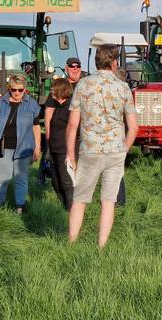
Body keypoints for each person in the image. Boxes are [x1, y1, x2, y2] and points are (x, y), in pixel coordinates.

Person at [66, 44, 138, 248]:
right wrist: (124, 149)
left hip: (90, 149)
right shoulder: (123, 87)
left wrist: (71, 154)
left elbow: (72, 125)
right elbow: (133, 127)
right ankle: (101, 247)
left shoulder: (83, 85)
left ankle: (71, 244)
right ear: (114, 63)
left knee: (79, 200)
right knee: (108, 201)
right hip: (115, 151)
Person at [0, 74, 41, 214]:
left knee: (21, 179)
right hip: (4, 146)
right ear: (9, 88)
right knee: (3, 178)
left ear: (25, 89)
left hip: (24, 148)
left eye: (21, 90)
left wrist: (37, 147)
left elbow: (36, 127)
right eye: (14, 89)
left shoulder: (32, 104)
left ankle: (20, 208)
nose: (17, 93)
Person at [42, 57, 85, 185]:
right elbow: (48, 113)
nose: (75, 69)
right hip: (61, 136)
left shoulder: (86, 86)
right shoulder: (59, 86)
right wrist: (49, 138)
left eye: (77, 66)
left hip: (82, 135)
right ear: (66, 68)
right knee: (60, 176)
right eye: (72, 66)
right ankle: (43, 174)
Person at [47, 78, 75, 210]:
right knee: (56, 182)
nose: (51, 90)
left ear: (61, 90)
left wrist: (71, 154)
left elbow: (75, 130)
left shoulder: (70, 108)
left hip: (64, 151)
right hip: (54, 150)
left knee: (67, 184)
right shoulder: (58, 107)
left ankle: (71, 212)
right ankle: (64, 208)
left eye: (54, 88)